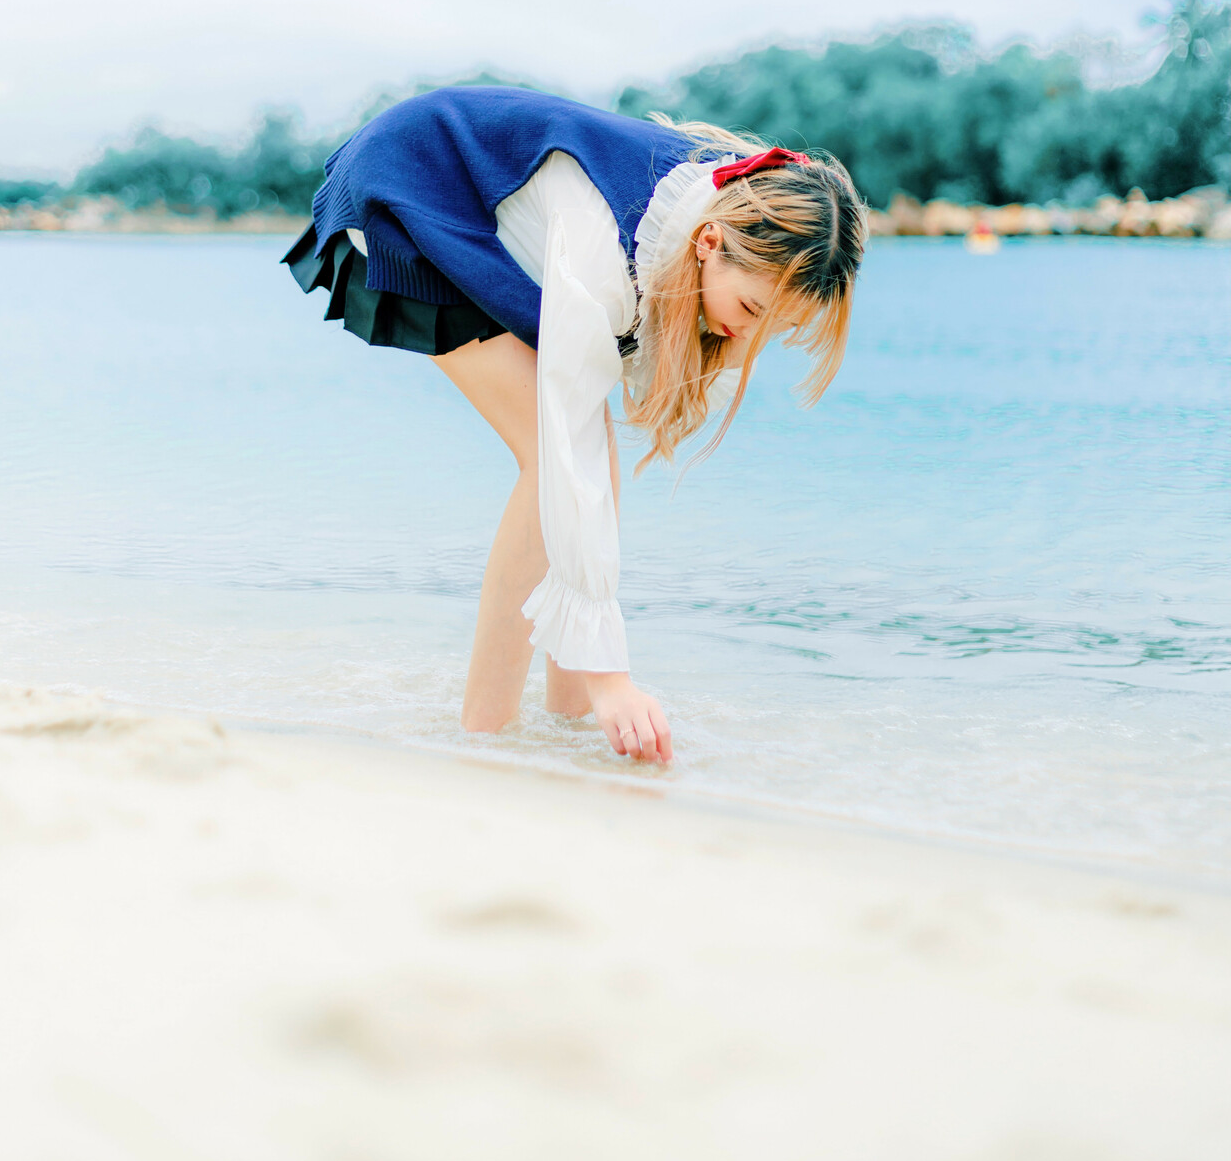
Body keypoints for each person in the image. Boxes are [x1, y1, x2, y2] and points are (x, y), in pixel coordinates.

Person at [284, 86, 866, 764]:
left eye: (778, 329)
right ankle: (484, 740)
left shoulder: (714, 228)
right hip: (409, 189)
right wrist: (614, 678)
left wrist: (605, 681)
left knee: (589, 463)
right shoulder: (607, 244)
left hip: (472, 204)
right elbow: (568, 445)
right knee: (550, 459)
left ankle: (569, 726)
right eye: (751, 310)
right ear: (709, 243)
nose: (751, 340)